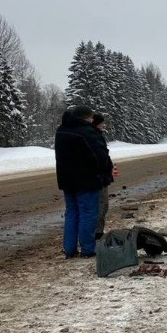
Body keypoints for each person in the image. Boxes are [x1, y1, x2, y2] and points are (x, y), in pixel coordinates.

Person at [54, 105, 111, 258]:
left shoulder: (61, 130)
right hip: (87, 180)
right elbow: (99, 156)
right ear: (87, 118)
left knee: (71, 213)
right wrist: (104, 169)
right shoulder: (87, 132)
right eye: (91, 118)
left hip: (67, 179)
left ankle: (69, 249)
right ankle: (87, 248)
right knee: (88, 213)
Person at [91, 113, 115, 240]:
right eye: (102, 123)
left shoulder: (96, 135)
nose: (103, 126)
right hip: (99, 177)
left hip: (101, 175)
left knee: (102, 205)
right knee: (101, 205)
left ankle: (98, 231)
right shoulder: (94, 136)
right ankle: (97, 233)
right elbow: (101, 157)